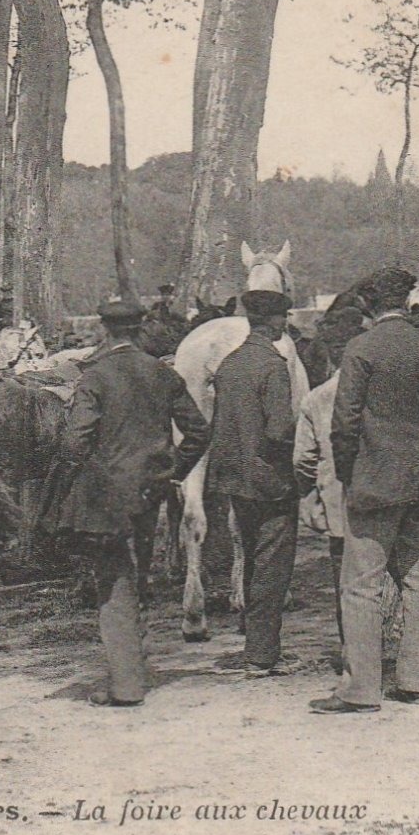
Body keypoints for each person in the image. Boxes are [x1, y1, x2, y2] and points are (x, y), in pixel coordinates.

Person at [312, 269, 419, 714]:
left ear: (369, 306)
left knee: (362, 585)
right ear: (407, 300)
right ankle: (415, 681)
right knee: (418, 580)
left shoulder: (361, 349)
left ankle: (360, 690)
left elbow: (344, 424)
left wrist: (350, 473)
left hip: (374, 481)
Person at [46, 299, 209, 707]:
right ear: (139, 329)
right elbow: (198, 433)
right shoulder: (162, 374)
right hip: (151, 489)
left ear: (105, 330)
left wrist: (80, 476)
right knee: (138, 574)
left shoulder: (96, 378)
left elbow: (74, 442)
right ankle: (135, 666)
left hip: (107, 495)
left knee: (114, 581)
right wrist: (173, 471)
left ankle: (126, 684)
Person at [203, 290, 300, 676]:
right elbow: (278, 430)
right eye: (282, 318)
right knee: (273, 567)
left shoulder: (230, 364)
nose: (285, 324)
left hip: (236, 479)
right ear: (272, 322)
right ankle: (262, 654)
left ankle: (255, 646)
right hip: (271, 481)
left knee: (252, 560)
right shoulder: (272, 366)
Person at [294, 310, 368, 663]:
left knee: (347, 581)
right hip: (388, 495)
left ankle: (353, 654)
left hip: (339, 501)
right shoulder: (383, 392)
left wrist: (311, 490)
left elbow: (303, 460)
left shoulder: (317, 398)